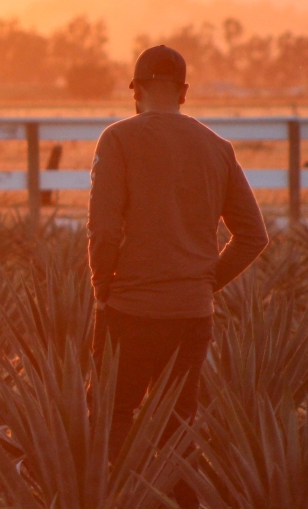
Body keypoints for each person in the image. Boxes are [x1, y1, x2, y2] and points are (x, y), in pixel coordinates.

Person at [87, 45, 269, 509]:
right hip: (192, 314)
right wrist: (205, 282)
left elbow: (104, 229)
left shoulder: (118, 139)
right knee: (179, 424)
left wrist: (102, 289)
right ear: (184, 93)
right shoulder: (217, 147)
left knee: (114, 416)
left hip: (129, 309)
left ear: (137, 90)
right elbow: (252, 236)